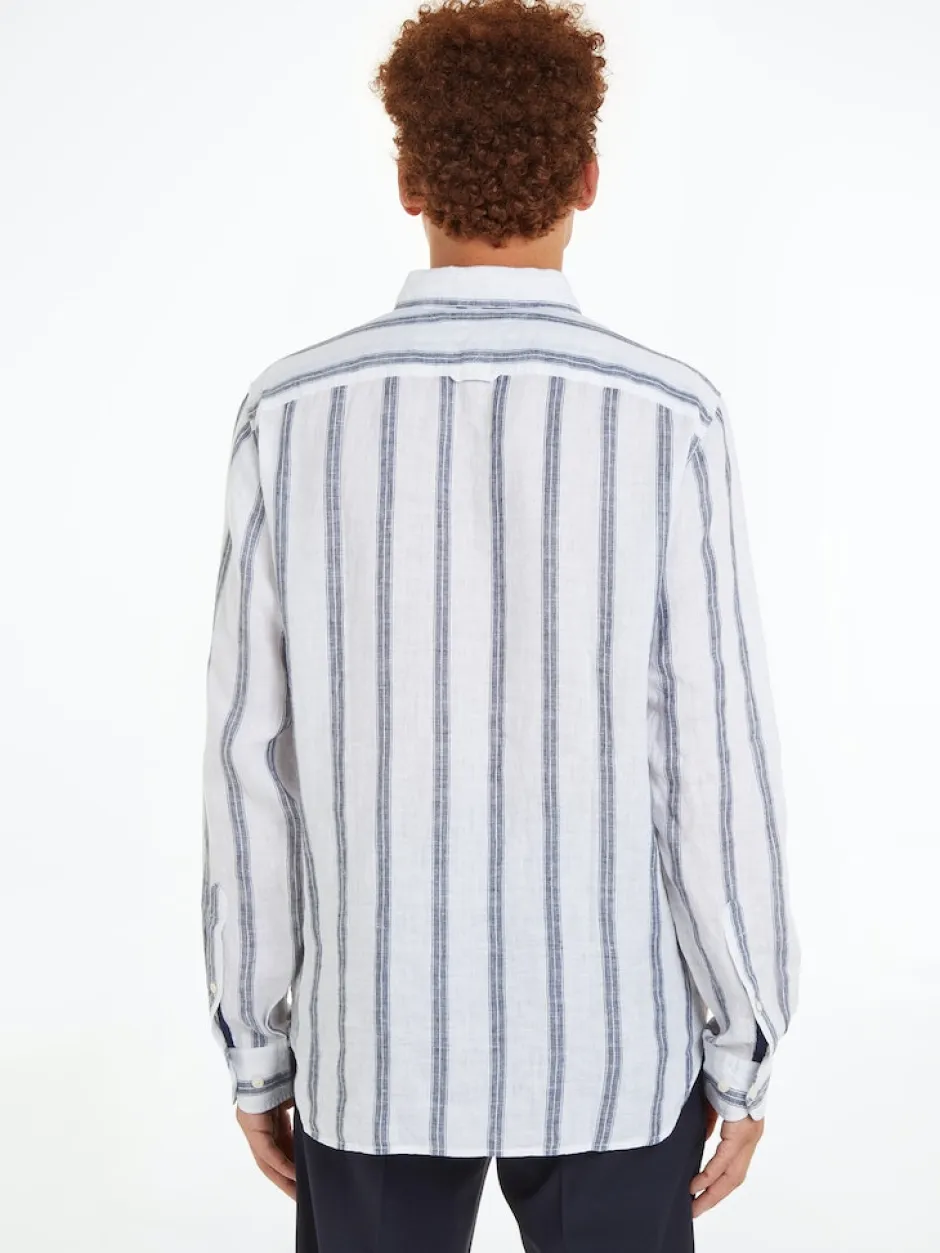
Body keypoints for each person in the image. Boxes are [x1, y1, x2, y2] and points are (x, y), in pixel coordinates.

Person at [200, 1, 801, 1249]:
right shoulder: (668, 414)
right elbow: (711, 760)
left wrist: (256, 1047)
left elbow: (248, 760)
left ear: (408, 179)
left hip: (370, 1040)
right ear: (587, 176)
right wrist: (743, 1044)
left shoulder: (292, 410)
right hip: (613, 1041)